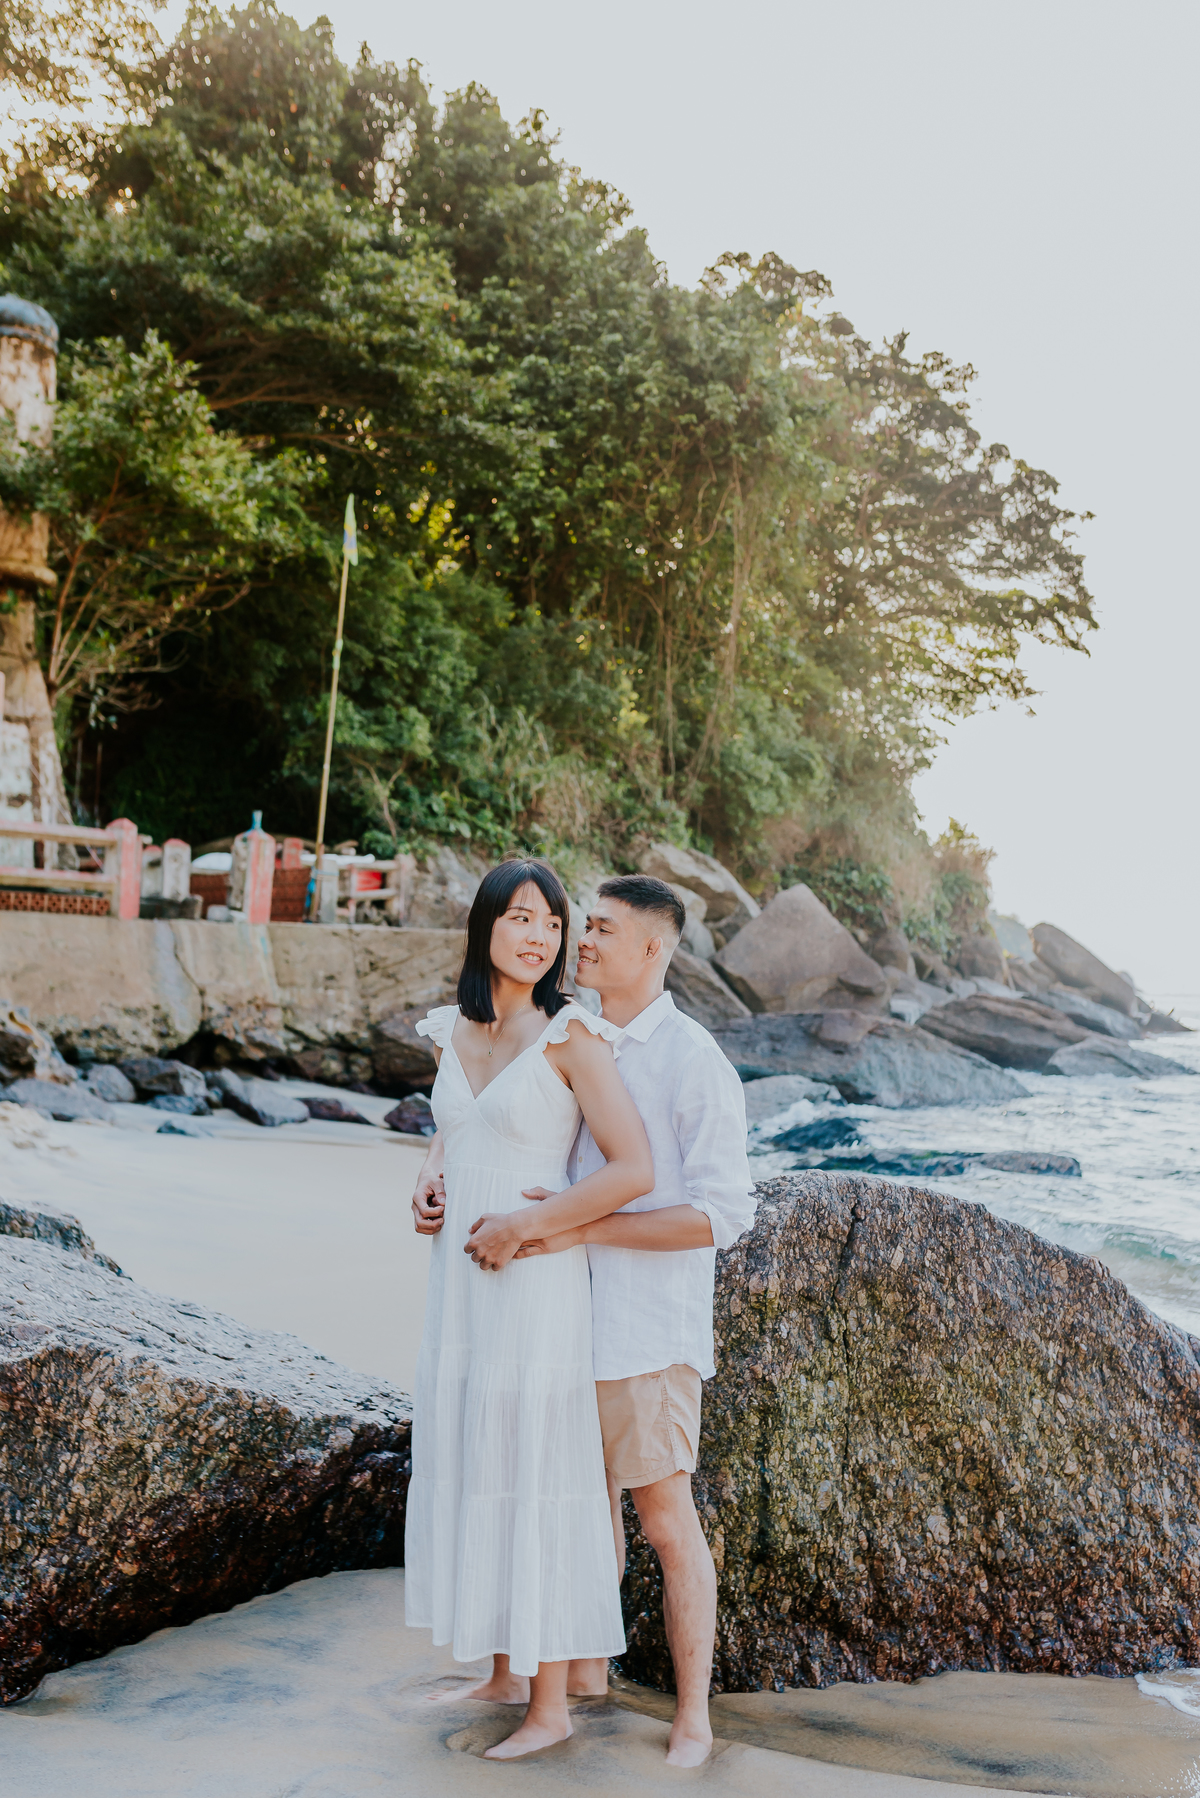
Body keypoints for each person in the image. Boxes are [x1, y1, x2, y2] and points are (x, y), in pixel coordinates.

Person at [470, 873, 756, 1766]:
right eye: (581, 926)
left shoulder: (692, 1060)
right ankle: (574, 1678)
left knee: (666, 1523)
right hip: (556, 1322)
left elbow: (720, 1216)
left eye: (599, 929)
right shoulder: (574, 1035)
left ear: (653, 949)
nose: (581, 942)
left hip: (644, 1333)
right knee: (566, 1513)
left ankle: (693, 1717)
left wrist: (582, 1228)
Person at [405, 858, 655, 1761]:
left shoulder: (571, 1036)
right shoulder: (453, 1032)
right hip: (462, 1287)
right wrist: (428, 1182)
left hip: (536, 1281)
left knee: (536, 1465)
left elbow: (633, 1169)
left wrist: (527, 1225)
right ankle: (504, 1673)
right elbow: (456, 1133)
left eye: (553, 923)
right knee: (480, 1454)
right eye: (521, 917)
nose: (540, 937)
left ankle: (550, 1706)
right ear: (485, 927)